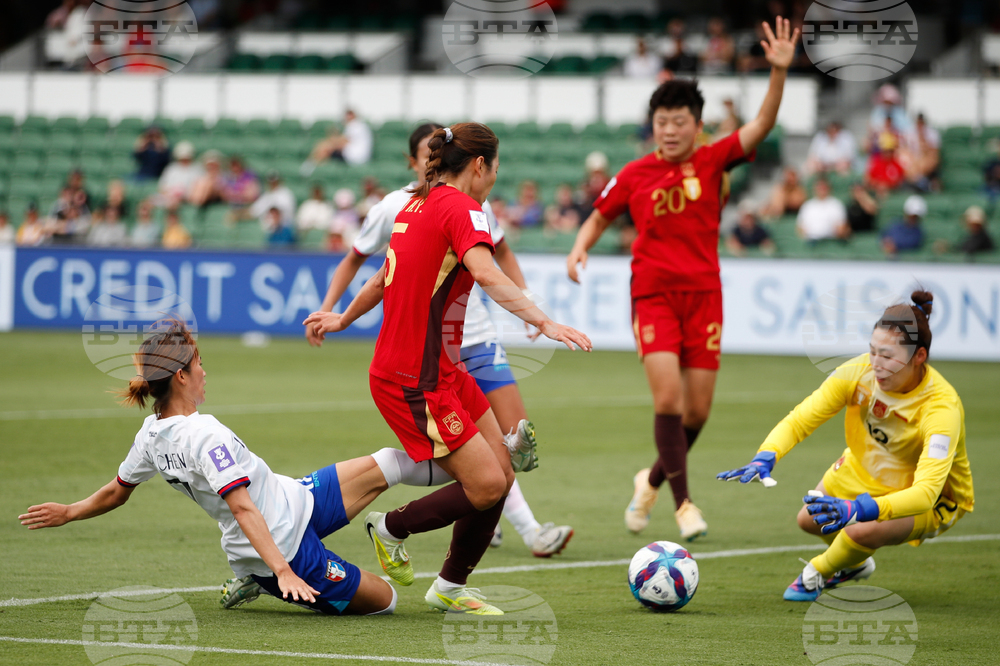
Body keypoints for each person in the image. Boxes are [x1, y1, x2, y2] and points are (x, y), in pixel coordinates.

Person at [303, 123, 591, 614]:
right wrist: (544, 320)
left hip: (443, 368)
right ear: (479, 166)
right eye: (496, 168)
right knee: (487, 484)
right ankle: (391, 527)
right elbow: (484, 270)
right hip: (414, 377)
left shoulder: (416, 204)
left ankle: (450, 586)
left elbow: (382, 277)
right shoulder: (463, 208)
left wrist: (344, 317)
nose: (495, 178)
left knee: (505, 466)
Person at [567, 18, 800, 541]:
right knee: (669, 401)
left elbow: (760, 125)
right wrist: (580, 247)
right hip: (652, 294)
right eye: (661, 122)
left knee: (697, 411)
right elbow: (600, 215)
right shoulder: (633, 174)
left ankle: (648, 482)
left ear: (697, 125)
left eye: (679, 122)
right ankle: (683, 503)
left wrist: (778, 72)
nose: (669, 131)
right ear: (652, 125)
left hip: (705, 297)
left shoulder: (714, 159)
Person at [18, 319, 397, 616]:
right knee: (387, 600)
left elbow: (117, 491)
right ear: (180, 376)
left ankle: (396, 525)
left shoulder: (150, 433)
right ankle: (259, 579)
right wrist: (282, 571)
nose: (204, 372)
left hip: (289, 501)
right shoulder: (203, 434)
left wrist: (70, 511)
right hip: (277, 549)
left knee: (387, 464)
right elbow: (241, 507)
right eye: (199, 364)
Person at [717, 291, 973, 601]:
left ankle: (818, 571)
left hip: (932, 498)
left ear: (919, 356)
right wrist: (766, 455)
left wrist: (861, 509)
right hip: (864, 467)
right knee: (808, 521)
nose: (876, 364)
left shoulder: (941, 408)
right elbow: (801, 419)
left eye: (888, 356)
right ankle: (853, 564)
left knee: (859, 528)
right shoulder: (859, 371)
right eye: (872, 351)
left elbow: (926, 493)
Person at [796, 177, 849, 241]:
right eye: (819, 187)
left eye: (824, 187)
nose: (821, 189)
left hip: (831, 241)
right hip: (811, 242)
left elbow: (841, 227)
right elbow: (800, 227)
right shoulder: (807, 205)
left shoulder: (836, 205)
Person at [900, 113, 940, 192]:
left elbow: (934, 156)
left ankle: (925, 183)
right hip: (913, 165)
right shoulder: (909, 133)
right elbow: (904, 151)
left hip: (926, 168)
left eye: (921, 122)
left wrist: (925, 144)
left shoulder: (932, 134)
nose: (920, 125)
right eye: (918, 122)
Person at [157, 141, 204, 208]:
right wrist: (171, 196)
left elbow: (198, 191)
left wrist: (182, 196)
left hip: (188, 199)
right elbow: (162, 188)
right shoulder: (171, 168)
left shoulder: (197, 169)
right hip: (169, 198)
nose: (184, 159)